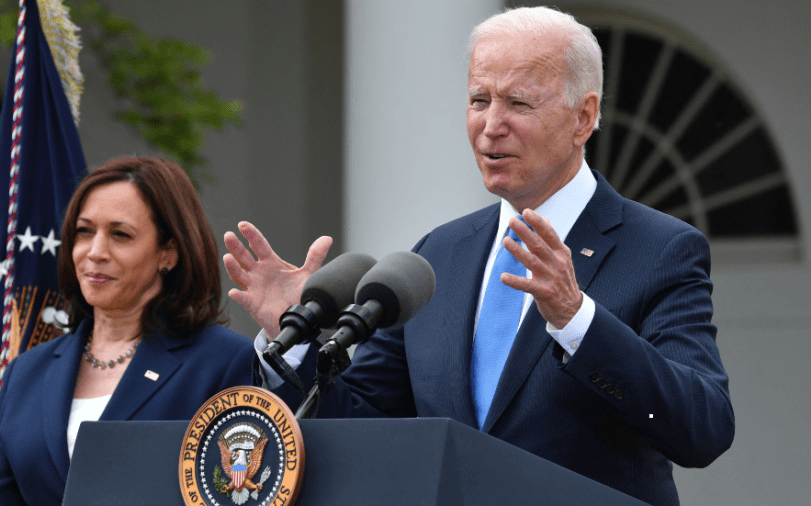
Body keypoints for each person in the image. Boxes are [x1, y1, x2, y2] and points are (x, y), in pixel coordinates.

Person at [223, 6, 734, 506]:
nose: (491, 125)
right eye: (478, 99)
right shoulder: (433, 260)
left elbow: (703, 428)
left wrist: (577, 320)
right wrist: (291, 338)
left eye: (517, 103)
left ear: (584, 116)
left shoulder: (661, 249)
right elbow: (362, 423)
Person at [0, 157, 255, 505]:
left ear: (168, 254)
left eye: (120, 235)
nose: (95, 252)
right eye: (84, 231)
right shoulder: (26, 372)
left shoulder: (223, 362)